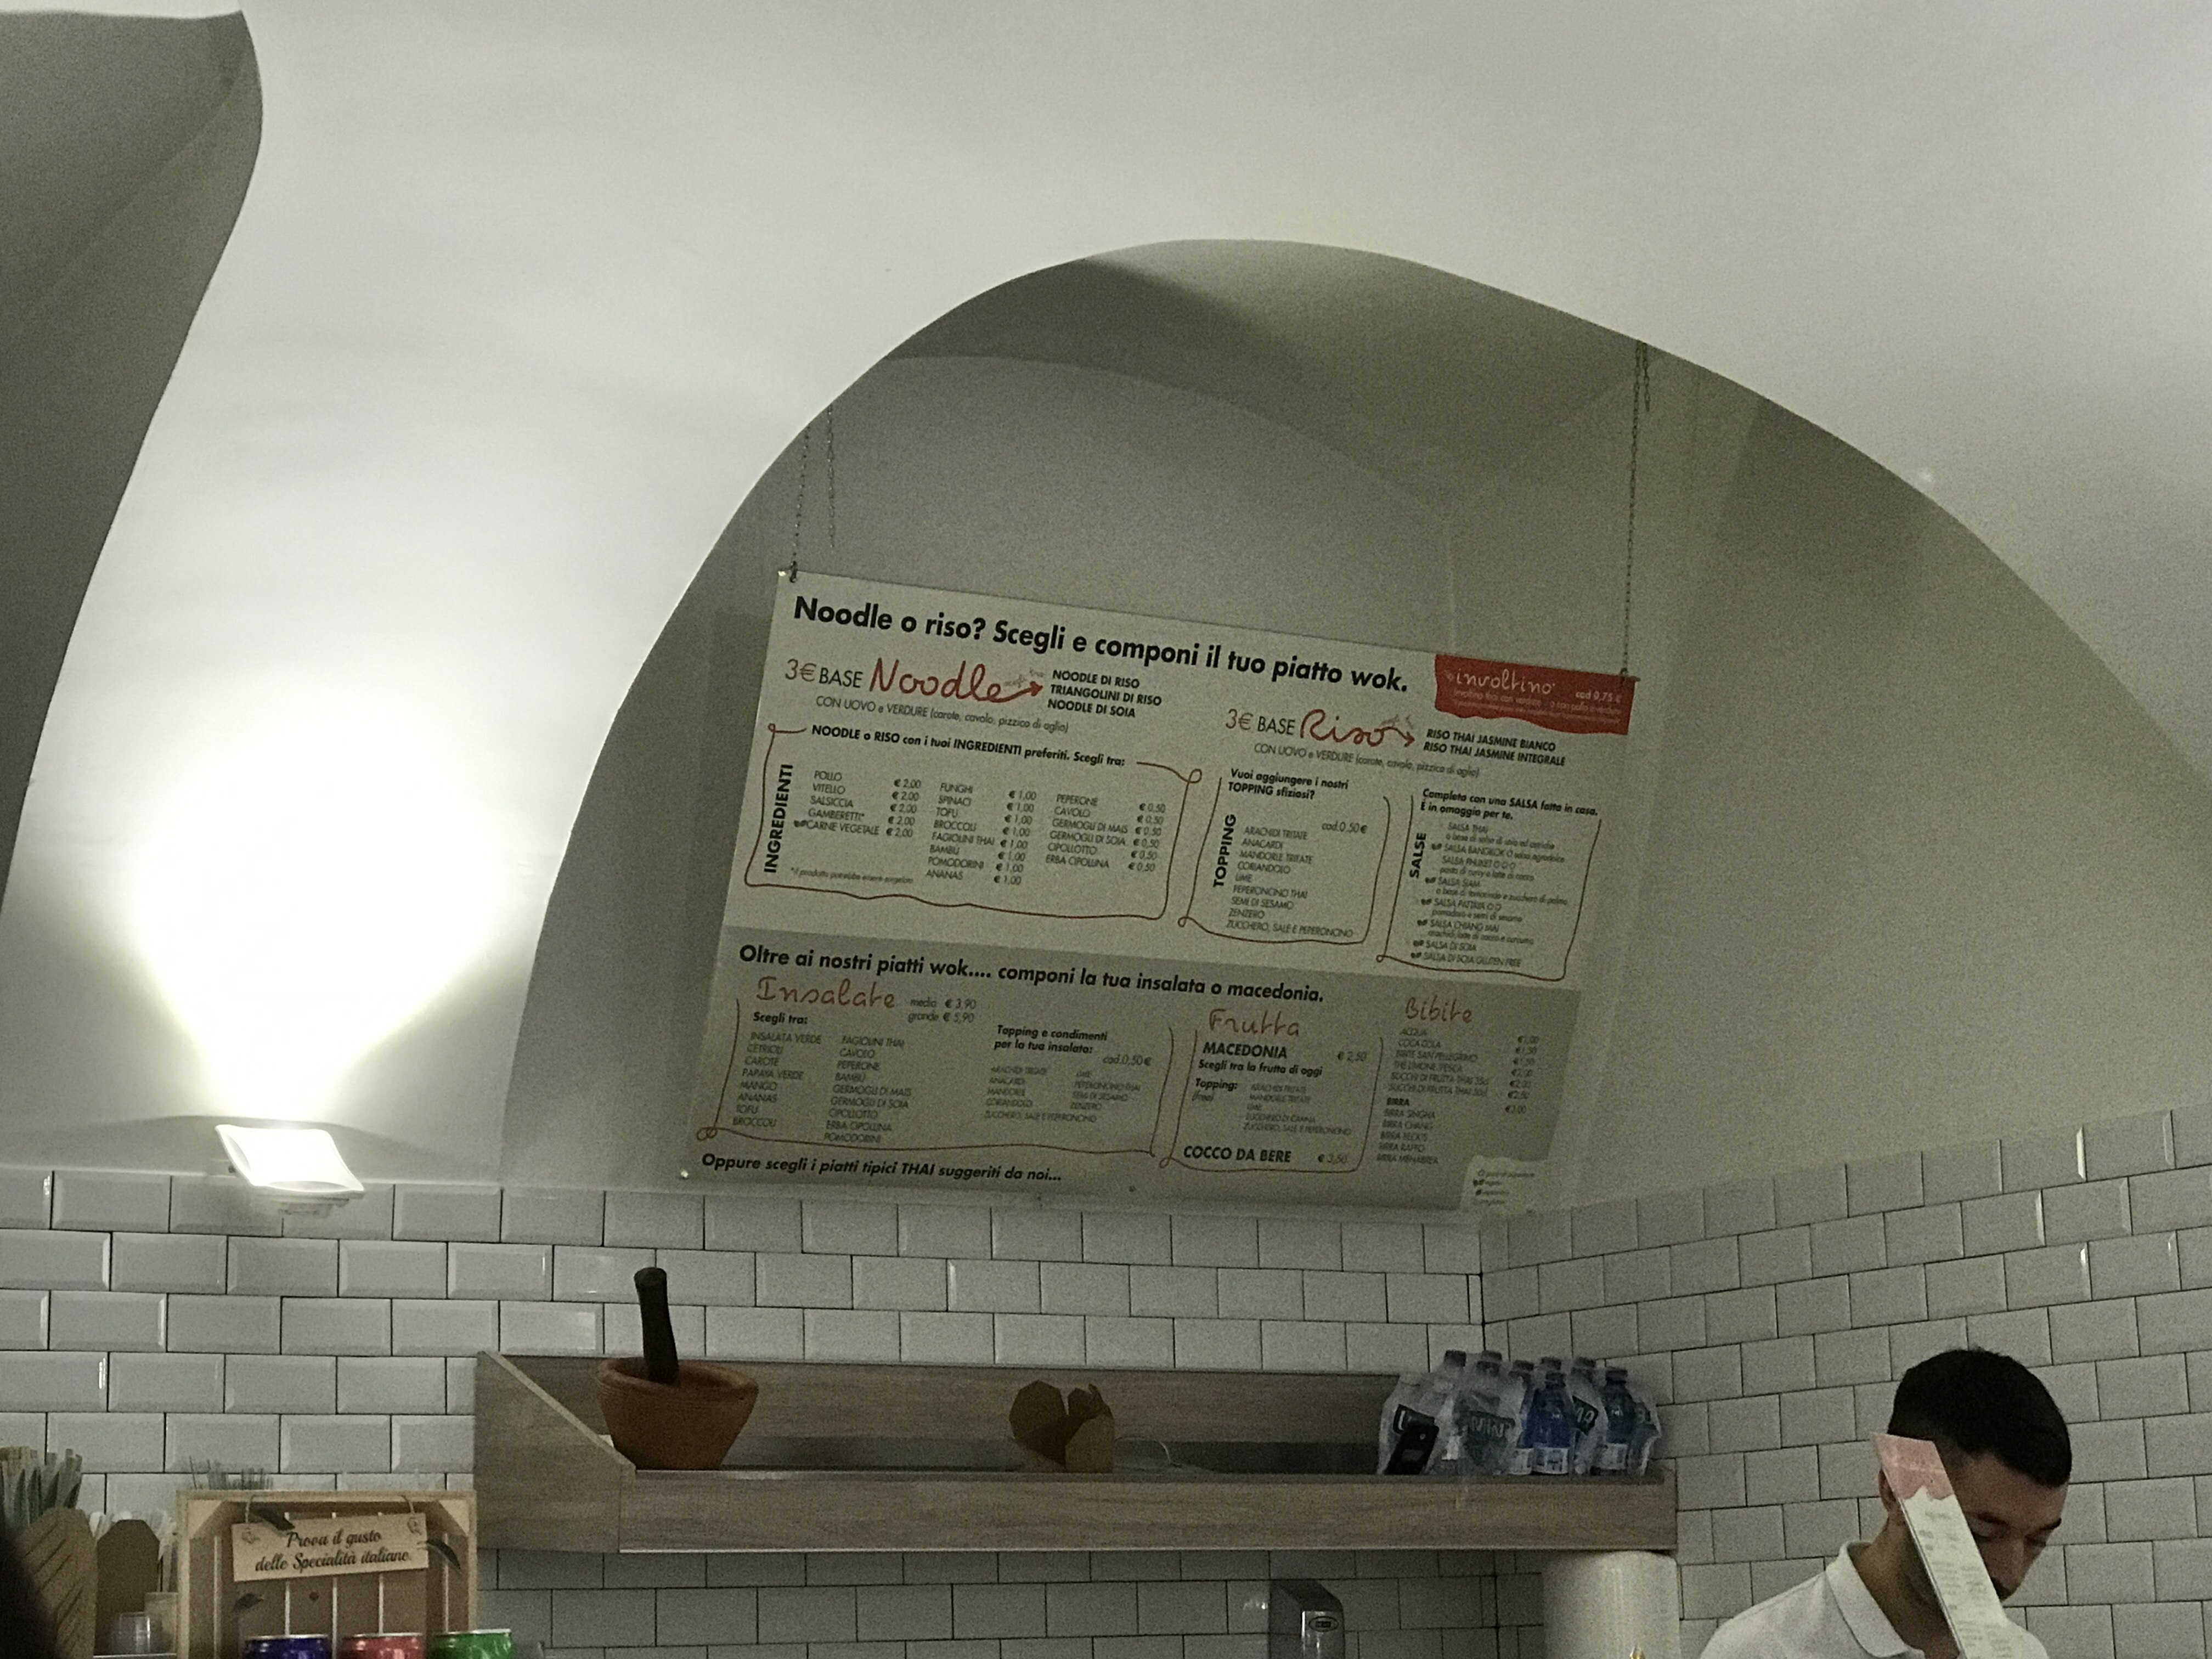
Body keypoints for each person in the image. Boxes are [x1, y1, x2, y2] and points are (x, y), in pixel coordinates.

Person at [1702, 1347, 2069, 1659]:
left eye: (2037, 1541)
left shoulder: (2022, 1653)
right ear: (1895, 1492)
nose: (2010, 1574)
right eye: (1981, 1533)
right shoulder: (1762, 1649)